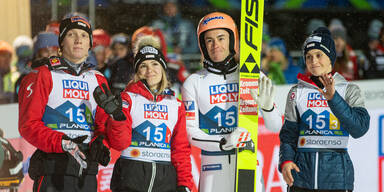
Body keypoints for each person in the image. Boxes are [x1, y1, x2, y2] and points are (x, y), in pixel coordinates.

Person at [181, 12, 282, 192]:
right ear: (202, 45)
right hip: (212, 169)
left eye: (221, 38)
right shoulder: (193, 82)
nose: (215, 45)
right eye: (209, 40)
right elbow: (190, 132)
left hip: (247, 162)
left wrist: (268, 108)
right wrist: (224, 141)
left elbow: (275, 127)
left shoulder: (251, 76)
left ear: (233, 40)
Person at [18, 15, 111, 192]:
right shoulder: (43, 74)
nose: (78, 40)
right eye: (71, 35)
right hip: (53, 166)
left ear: (90, 44)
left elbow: (102, 126)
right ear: (61, 42)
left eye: (84, 36)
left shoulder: (99, 79)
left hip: (87, 170)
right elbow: (28, 125)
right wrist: (62, 143)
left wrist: (101, 143)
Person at [279, 27, 370, 192]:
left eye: (319, 55)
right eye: (308, 56)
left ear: (330, 58)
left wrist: (333, 99)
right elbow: (288, 136)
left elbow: (360, 128)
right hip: (301, 181)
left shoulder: (349, 90)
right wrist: (286, 161)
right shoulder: (296, 92)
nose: (313, 61)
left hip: (336, 181)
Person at [94, 41, 193, 192]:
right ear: (137, 71)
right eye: (143, 66)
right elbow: (120, 143)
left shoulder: (176, 104)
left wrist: (184, 184)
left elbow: (180, 150)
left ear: (162, 68)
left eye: (154, 64)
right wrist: (117, 118)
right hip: (131, 178)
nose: (150, 70)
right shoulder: (127, 99)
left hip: (165, 181)